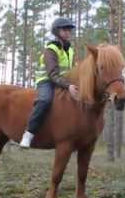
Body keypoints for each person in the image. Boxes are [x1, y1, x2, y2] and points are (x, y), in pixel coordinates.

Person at [19, 17, 80, 148]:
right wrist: (68, 85)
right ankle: (29, 134)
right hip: (47, 81)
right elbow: (52, 74)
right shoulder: (51, 49)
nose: (68, 32)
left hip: (62, 81)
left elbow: (69, 70)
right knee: (45, 100)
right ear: (57, 31)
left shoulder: (70, 49)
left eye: (70, 30)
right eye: (65, 30)